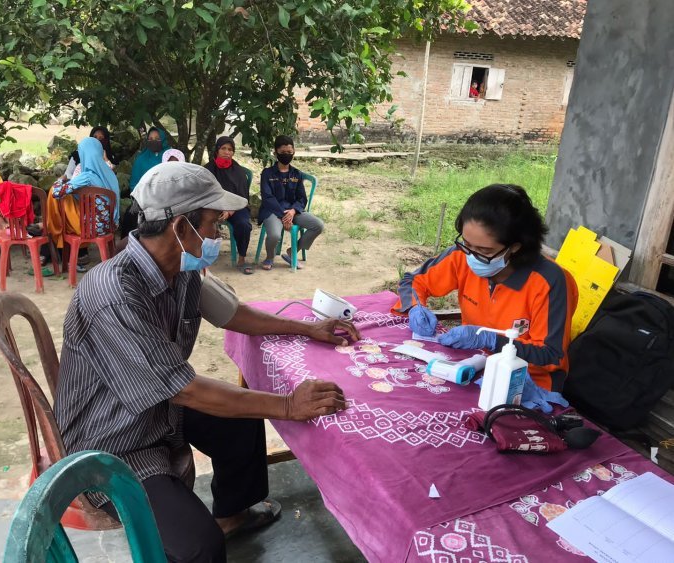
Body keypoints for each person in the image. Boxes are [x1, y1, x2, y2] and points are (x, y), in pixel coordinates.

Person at [54, 162, 359, 562]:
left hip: (158, 410)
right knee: (200, 548)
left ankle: (231, 515)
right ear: (182, 228)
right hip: (113, 441)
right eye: (213, 223)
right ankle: (211, 534)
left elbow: (233, 313)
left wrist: (306, 327)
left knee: (242, 417)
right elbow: (185, 389)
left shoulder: (178, 267)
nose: (217, 233)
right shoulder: (114, 295)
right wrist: (287, 405)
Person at [393, 184, 578, 392]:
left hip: (525, 385)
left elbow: (551, 356)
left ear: (515, 247)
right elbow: (413, 281)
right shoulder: (461, 255)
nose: (471, 256)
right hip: (472, 366)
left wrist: (492, 341)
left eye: (483, 250)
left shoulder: (549, 281)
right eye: (466, 243)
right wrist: (416, 306)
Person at [46, 137, 120, 270]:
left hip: (89, 228)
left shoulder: (86, 176)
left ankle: (48, 228)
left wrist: (60, 181)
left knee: (56, 195)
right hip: (109, 225)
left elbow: (57, 192)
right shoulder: (109, 172)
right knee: (71, 200)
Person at [257, 135, 324, 271]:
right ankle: (269, 256)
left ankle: (292, 251)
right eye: (283, 152)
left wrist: (293, 211)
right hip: (273, 211)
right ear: (275, 153)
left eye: (289, 152)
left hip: (293, 211)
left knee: (318, 225)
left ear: (294, 152)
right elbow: (267, 198)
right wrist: (283, 215)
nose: (287, 155)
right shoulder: (267, 173)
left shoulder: (296, 174)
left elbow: (302, 198)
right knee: (275, 235)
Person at [204, 136, 253, 275]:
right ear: (217, 150)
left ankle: (242, 258)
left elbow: (243, 196)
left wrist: (230, 210)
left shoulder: (238, 171)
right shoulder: (207, 170)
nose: (227, 152)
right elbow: (204, 194)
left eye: (230, 149)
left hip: (236, 207)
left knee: (244, 224)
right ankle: (201, 258)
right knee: (200, 221)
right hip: (213, 207)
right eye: (223, 148)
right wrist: (218, 209)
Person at [129, 127, 169, 192]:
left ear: (163, 140)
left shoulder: (171, 157)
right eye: (150, 139)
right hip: (147, 198)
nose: (154, 141)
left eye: (157, 138)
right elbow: (134, 185)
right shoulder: (140, 160)